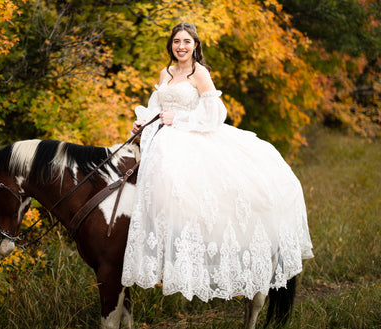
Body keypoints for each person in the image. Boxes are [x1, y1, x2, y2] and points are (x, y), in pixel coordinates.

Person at [121, 22, 313, 302]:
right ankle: (163, 254)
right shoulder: (166, 72)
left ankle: (207, 251)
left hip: (191, 137)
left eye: (187, 41)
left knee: (198, 195)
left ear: (195, 45)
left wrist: (180, 119)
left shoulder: (200, 74)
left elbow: (215, 114)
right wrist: (143, 124)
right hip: (162, 140)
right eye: (176, 42)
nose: (181, 46)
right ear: (171, 45)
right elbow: (157, 108)